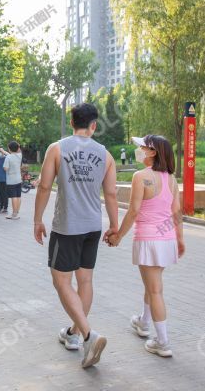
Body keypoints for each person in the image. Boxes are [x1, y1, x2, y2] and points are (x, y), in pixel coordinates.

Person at [33, 103, 118, 369]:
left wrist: (37, 220)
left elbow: (45, 185)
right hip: (93, 225)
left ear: (72, 123)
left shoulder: (57, 148)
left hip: (67, 226)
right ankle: (73, 334)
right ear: (93, 125)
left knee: (60, 282)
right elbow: (112, 194)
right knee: (85, 281)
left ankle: (89, 335)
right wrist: (114, 226)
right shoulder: (106, 155)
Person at [107, 135, 185, 358]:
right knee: (153, 284)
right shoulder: (171, 179)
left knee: (155, 290)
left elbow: (133, 211)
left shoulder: (140, 176)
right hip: (166, 240)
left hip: (148, 240)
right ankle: (143, 322)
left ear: (153, 152)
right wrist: (179, 240)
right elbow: (176, 212)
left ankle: (162, 342)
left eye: (142, 147)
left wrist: (118, 236)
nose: (138, 150)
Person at [3, 141, 23, 220]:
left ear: (9, 149)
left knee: (13, 197)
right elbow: (19, 150)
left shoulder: (8, 157)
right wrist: (18, 145)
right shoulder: (19, 155)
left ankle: (14, 214)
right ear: (18, 148)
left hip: (11, 180)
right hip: (18, 179)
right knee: (18, 196)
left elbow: (5, 168)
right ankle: (16, 212)